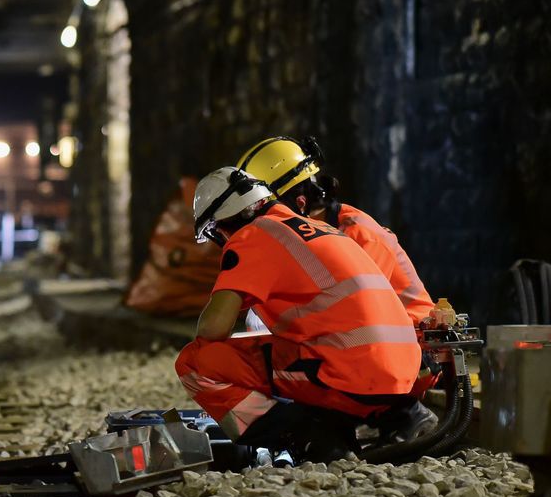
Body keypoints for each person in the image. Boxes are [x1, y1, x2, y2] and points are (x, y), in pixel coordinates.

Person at [174, 168, 422, 462]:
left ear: (224, 223)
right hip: (405, 375)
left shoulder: (251, 237)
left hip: (350, 378)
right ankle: (394, 417)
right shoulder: (322, 229)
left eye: (215, 233)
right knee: (293, 352)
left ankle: (308, 437)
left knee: (195, 362)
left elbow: (212, 329)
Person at [238, 136, 439, 439]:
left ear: (294, 199)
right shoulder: (313, 234)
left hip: (408, 356)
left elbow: (364, 318)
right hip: (371, 351)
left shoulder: (357, 233)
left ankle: (390, 413)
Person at [236, 136, 433, 323]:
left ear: (296, 201)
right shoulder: (308, 237)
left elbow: (359, 308)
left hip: (414, 338)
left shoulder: (361, 236)